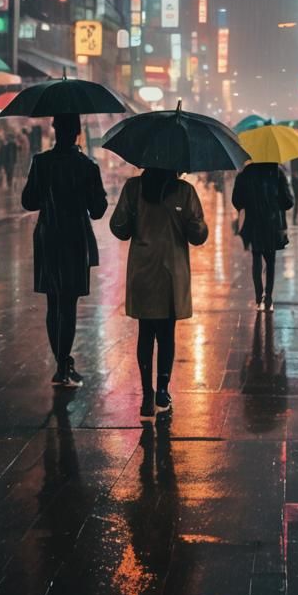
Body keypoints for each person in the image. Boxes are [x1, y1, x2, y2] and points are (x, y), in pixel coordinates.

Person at [110, 168, 208, 419]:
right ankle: (162, 392)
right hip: (171, 273)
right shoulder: (184, 192)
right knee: (166, 334)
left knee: (145, 332)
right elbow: (198, 235)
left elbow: (119, 228)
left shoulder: (133, 188)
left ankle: (147, 395)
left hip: (142, 271)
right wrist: (191, 223)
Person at [21, 113, 108, 389]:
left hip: (48, 236)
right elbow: (98, 210)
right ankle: (62, 365)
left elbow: (28, 201)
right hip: (75, 238)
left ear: (55, 129)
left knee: (53, 302)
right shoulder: (87, 166)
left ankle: (61, 363)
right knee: (68, 304)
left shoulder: (41, 162)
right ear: (77, 132)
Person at [232, 161, 295, 311]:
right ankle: (269, 298)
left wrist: (248, 202)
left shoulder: (246, 173)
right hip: (272, 223)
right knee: (270, 260)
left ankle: (258, 297)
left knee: (256, 257)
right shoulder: (277, 172)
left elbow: (236, 201)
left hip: (253, 222)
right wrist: (275, 200)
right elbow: (288, 202)